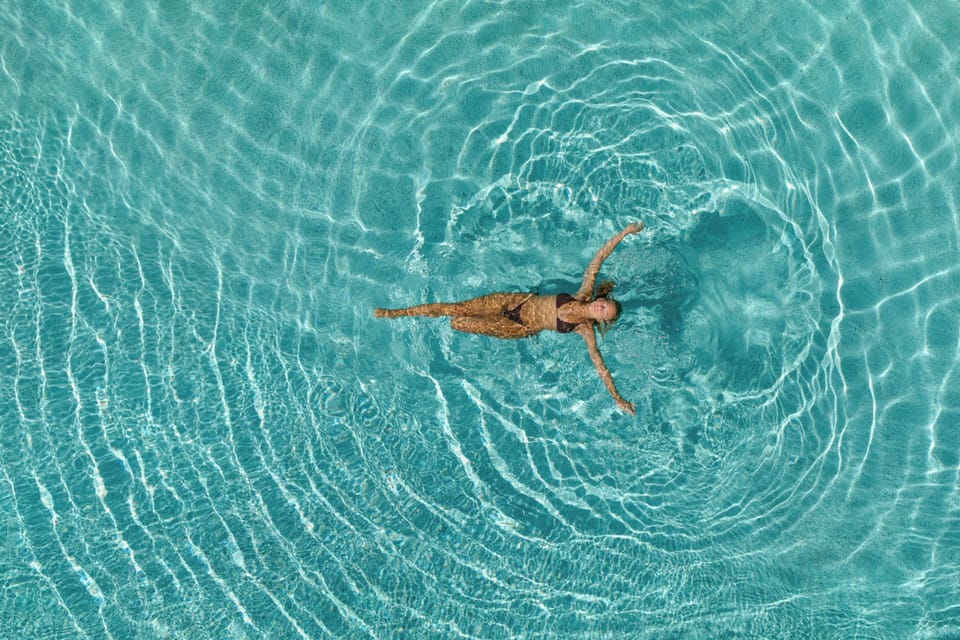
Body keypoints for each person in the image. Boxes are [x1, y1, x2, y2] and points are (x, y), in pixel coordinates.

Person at [375, 221, 645, 414]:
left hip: (519, 327)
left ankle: (423, 323)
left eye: (605, 313)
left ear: (603, 321)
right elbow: (599, 258)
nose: (601, 308)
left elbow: (600, 366)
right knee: (454, 308)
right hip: (516, 301)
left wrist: (617, 399)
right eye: (604, 304)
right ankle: (397, 313)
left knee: (459, 323)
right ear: (601, 298)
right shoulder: (584, 291)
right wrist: (626, 232)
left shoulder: (584, 330)